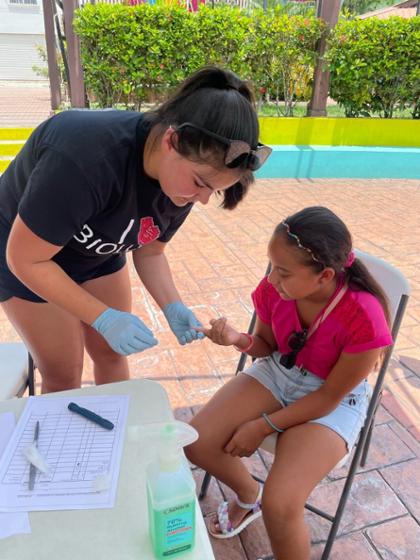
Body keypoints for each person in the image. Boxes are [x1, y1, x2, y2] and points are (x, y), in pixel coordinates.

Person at [0, 66, 272, 394]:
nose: (200, 200)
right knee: (64, 372)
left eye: (212, 191)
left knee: (111, 353)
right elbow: (25, 260)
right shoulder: (84, 159)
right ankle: (66, 445)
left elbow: (151, 249)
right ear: (172, 140)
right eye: (200, 183)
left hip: (97, 249)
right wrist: (103, 317)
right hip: (25, 255)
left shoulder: (181, 182)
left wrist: (173, 305)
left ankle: (114, 434)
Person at [185, 206, 393, 560]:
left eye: (283, 272)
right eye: (272, 267)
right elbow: (268, 347)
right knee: (196, 441)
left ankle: (265, 504)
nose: (271, 280)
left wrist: (260, 426)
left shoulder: (364, 316)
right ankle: (249, 496)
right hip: (280, 371)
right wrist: (239, 339)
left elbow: (328, 397)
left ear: (324, 275)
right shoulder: (273, 291)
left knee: (282, 504)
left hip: (332, 397)